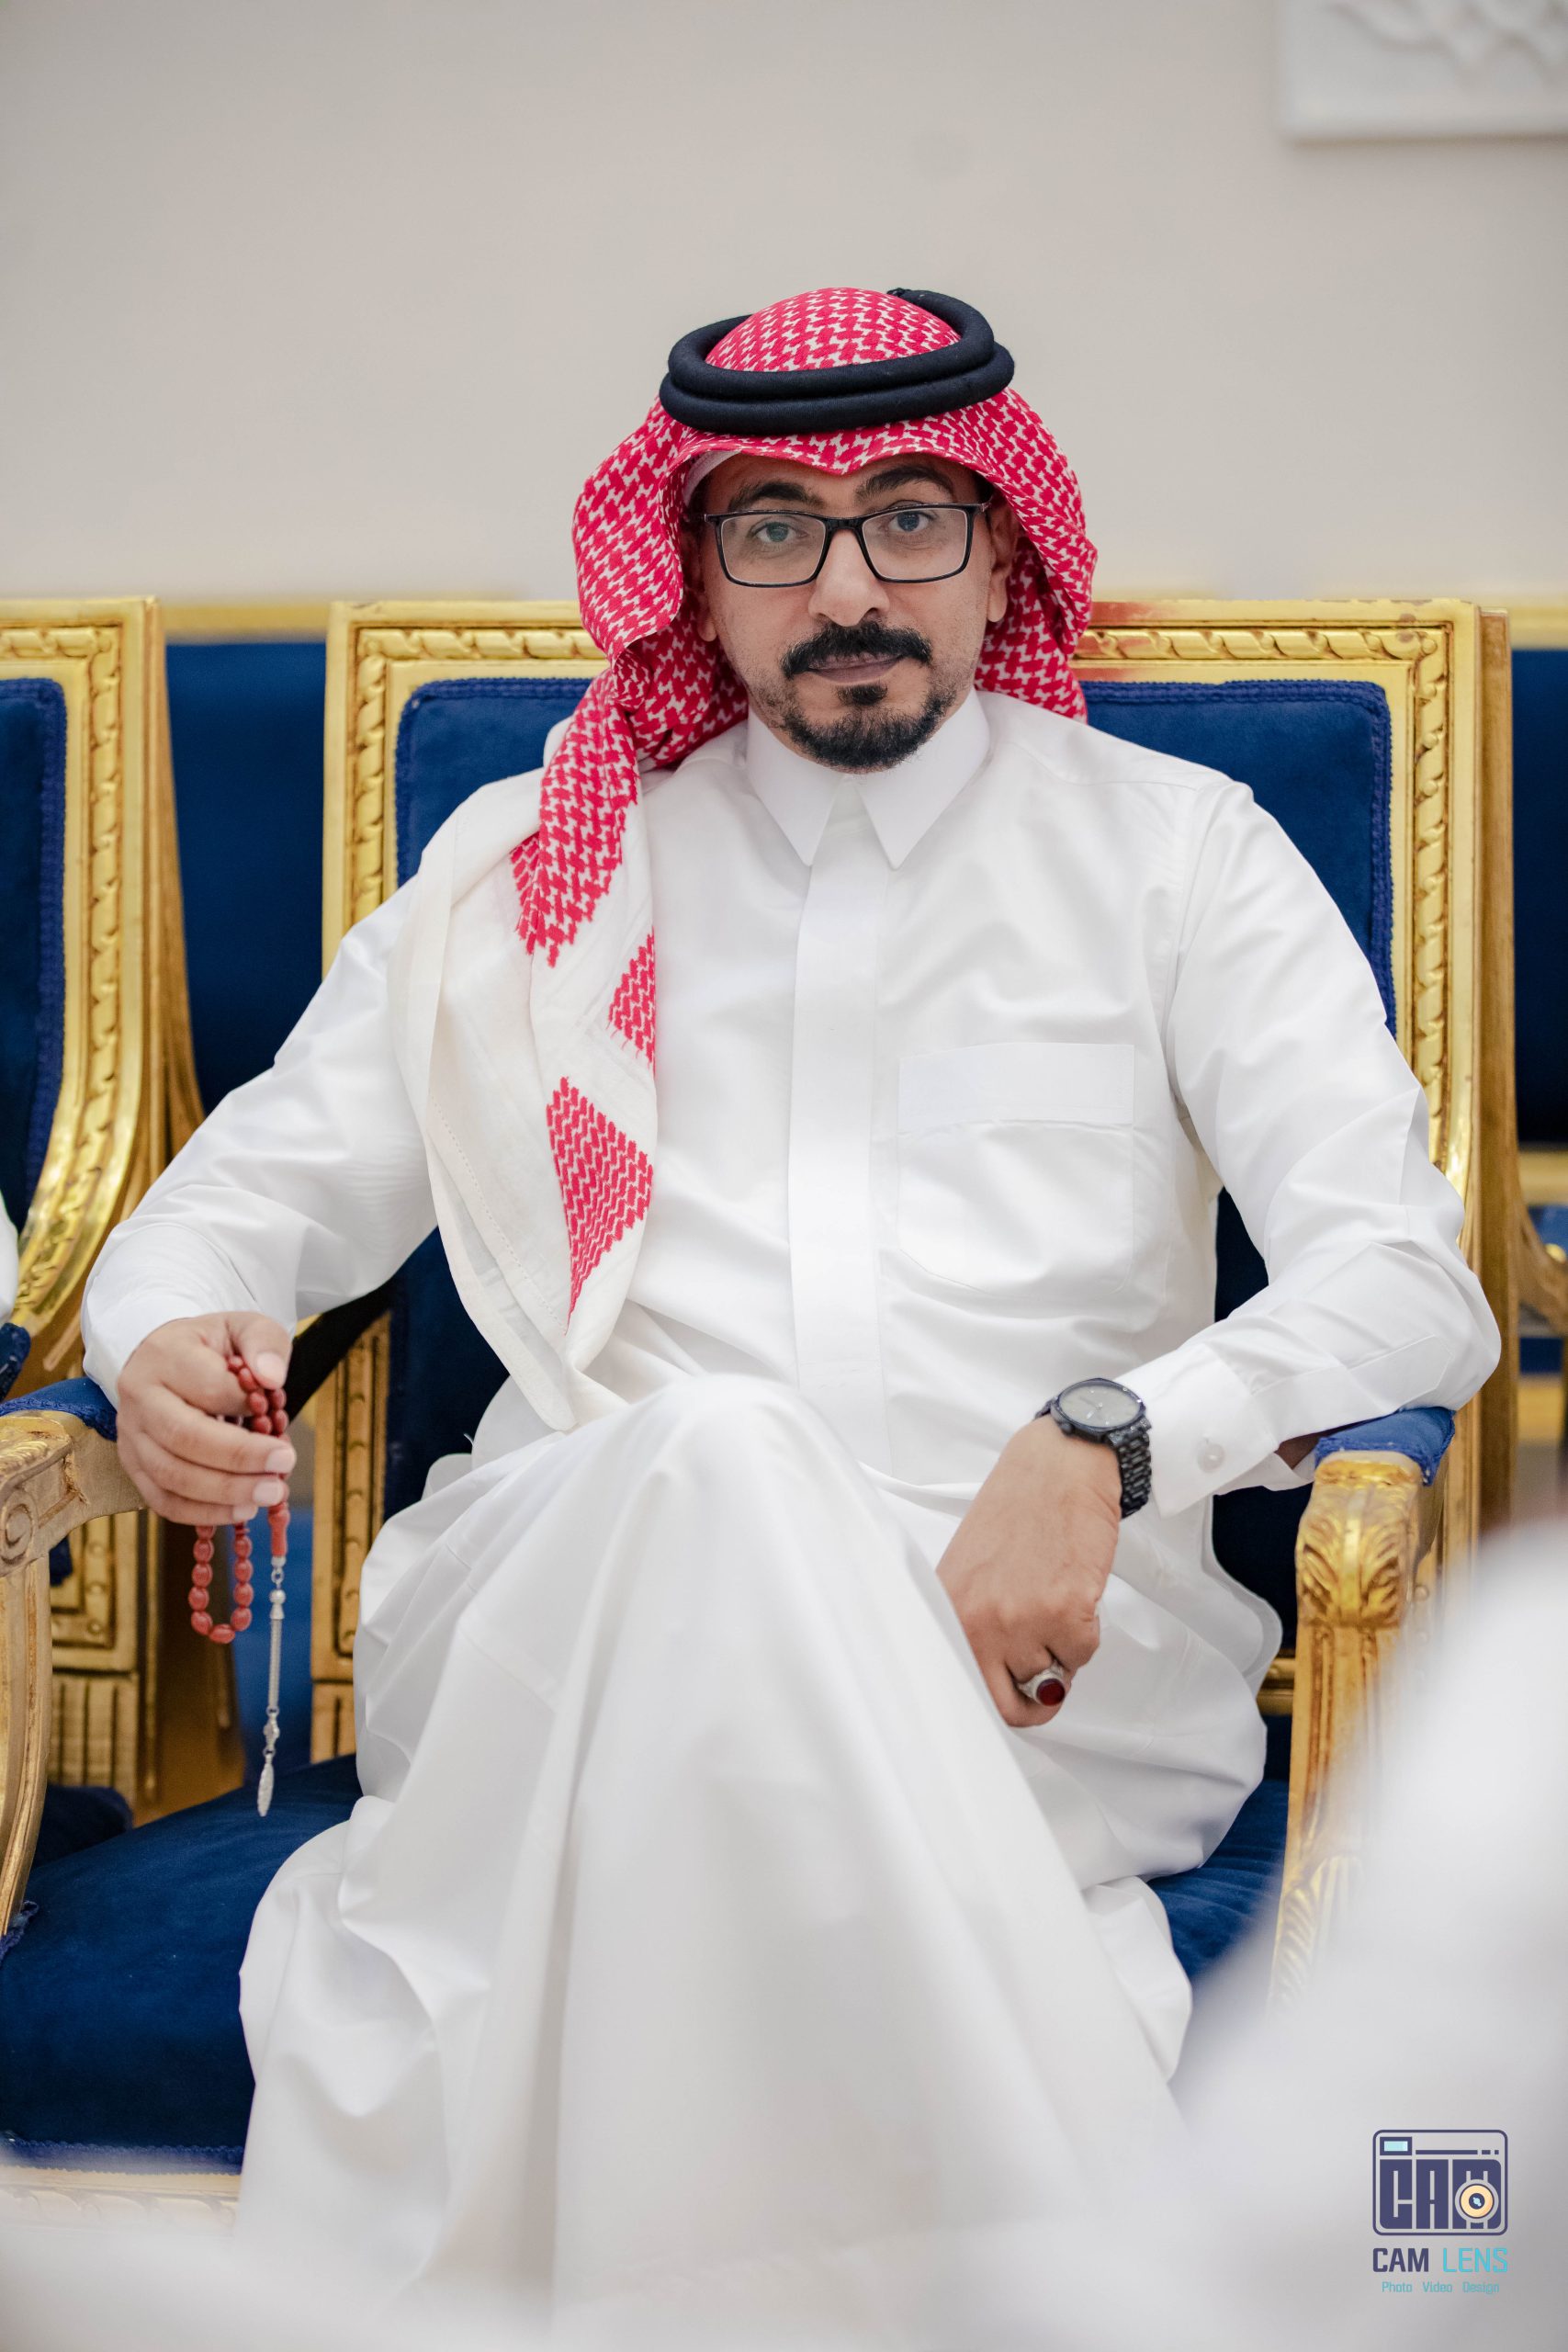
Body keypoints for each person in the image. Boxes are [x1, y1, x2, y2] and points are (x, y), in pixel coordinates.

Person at [79, 288, 1497, 2344]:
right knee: (723, 1457)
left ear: (1001, 547)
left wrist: (1107, 1439)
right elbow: (244, 1204)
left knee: (733, 1494)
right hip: (570, 1639)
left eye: (910, 517)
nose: (846, 588)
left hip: (1031, 1683)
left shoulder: (1177, 858)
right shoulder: (529, 874)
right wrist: (160, 1339)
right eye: (774, 527)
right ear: (693, 566)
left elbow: (1403, 1279)